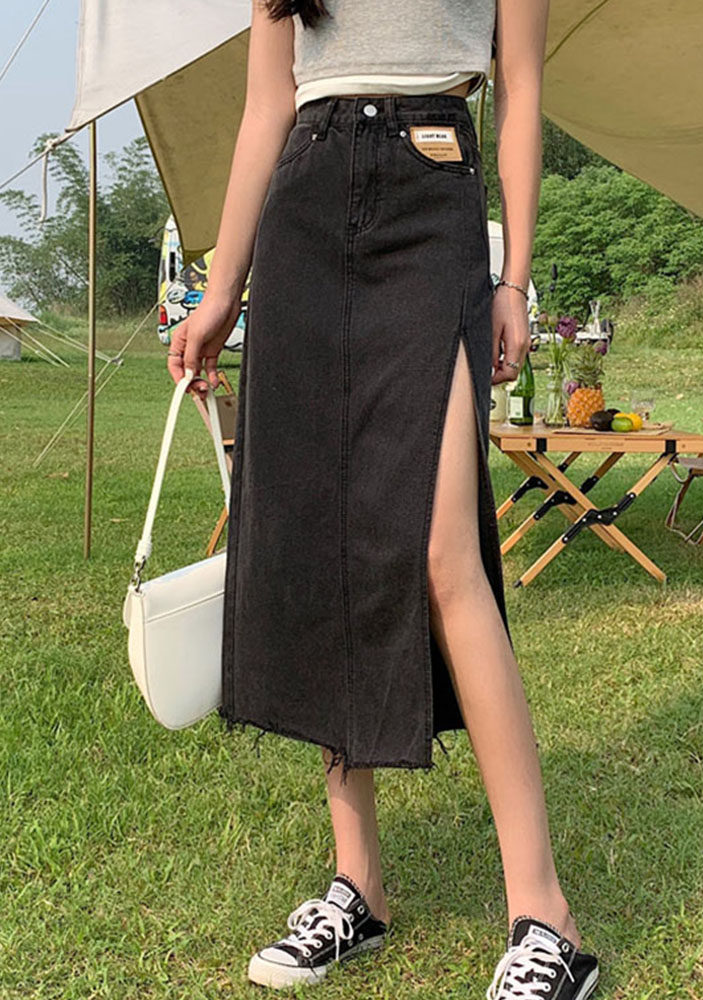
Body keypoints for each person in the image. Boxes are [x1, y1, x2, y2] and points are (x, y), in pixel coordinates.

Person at [167, 1, 600, 996]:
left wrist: (514, 280)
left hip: (432, 190)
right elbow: (266, 104)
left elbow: (522, 89)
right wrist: (221, 289)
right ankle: (358, 883)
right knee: (325, 542)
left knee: (442, 553)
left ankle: (547, 917)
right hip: (306, 197)